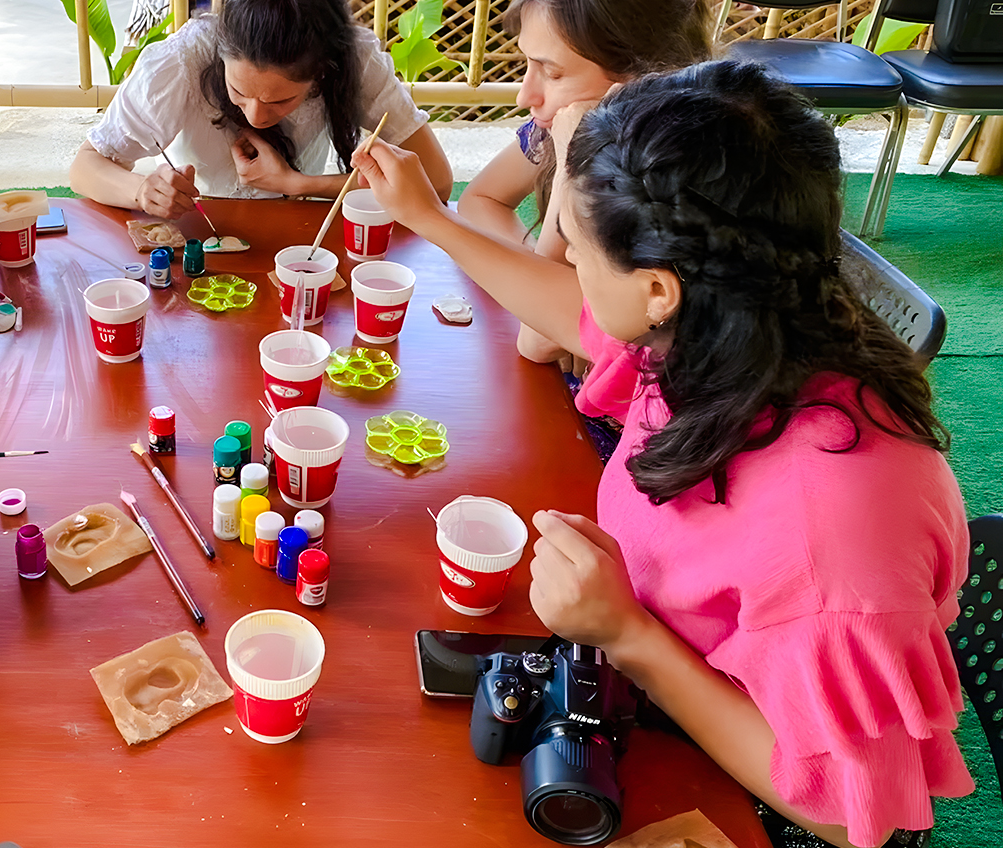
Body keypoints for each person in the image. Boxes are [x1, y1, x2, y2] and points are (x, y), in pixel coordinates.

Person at [354, 61, 971, 848]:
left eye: (577, 247)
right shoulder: (738, 317)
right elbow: (580, 315)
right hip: (652, 662)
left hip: (761, 798)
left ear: (656, 288)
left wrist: (628, 636)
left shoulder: (831, 540)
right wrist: (431, 219)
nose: (569, 264)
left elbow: (852, 817)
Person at [458, 0, 712, 364]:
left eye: (552, 73)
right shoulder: (565, 121)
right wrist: (530, 273)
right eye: (528, 64)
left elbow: (537, 341)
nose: (526, 96)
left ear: (637, 77)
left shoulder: (661, 177)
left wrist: (571, 171)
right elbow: (479, 199)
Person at [70, 0, 454, 218]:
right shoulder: (179, 65)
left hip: (299, 230)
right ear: (221, 56)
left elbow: (436, 183)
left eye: (282, 99)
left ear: (322, 72)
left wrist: (296, 183)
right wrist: (142, 191)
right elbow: (85, 167)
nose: (255, 115)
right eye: (238, 92)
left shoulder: (353, 61)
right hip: (197, 233)